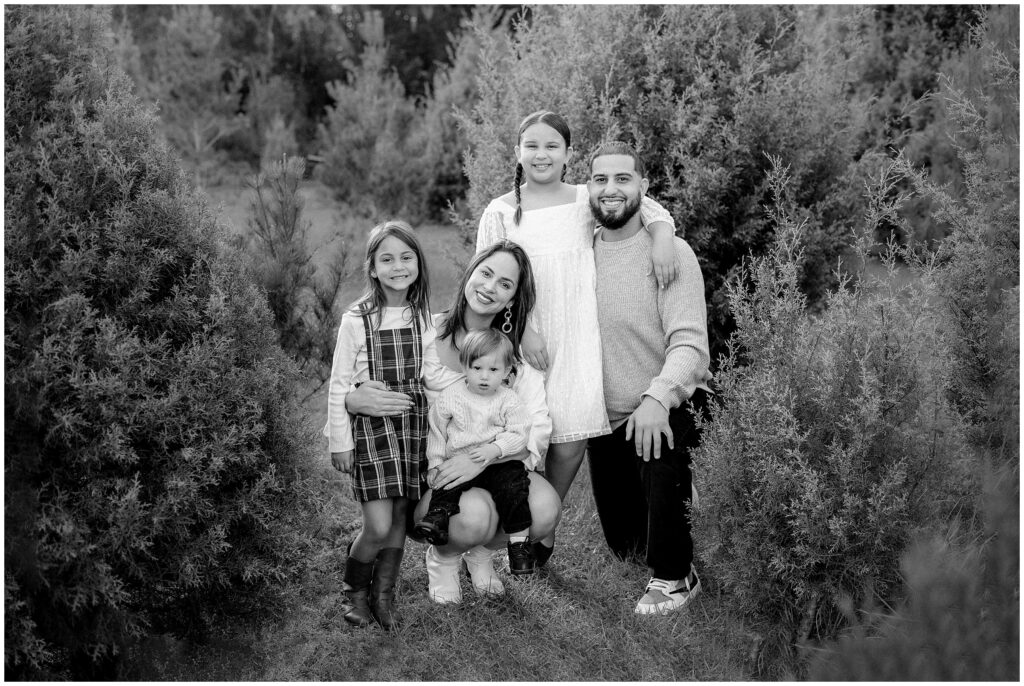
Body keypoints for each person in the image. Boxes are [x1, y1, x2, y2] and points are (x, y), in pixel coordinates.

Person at [475, 110, 680, 528]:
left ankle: (541, 524)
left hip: (578, 333)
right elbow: (484, 278)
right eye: (532, 145)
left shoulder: (582, 200)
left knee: (569, 440)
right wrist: (523, 328)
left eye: (552, 146)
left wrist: (662, 239)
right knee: (523, 430)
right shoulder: (500, 211)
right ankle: (509, 519)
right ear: (517, 152)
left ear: (568, 154)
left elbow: (652, 208)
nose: (541, 154)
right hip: (522, 335)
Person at [346, 241, 561, 604]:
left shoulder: (511, 359)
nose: (490, 287)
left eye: (505, 285)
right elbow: (375, 374)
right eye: (486, 273)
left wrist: (484, 456)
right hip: (434, 475)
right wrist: (354, 398)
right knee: (473, 516)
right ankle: (444, 558)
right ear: (470, 275)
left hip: (497, 465)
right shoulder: (424, 334)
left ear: (511, 301)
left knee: (544, 510)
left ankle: (480, 555)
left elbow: (536, 429)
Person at [585, 141, 714, 615]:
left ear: (644, 186)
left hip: (671, 399)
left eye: (624, 179)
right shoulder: (581, 252)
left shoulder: (671, 252)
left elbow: (690, 345)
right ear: (588, 189)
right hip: (607, 417)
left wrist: (657, 398)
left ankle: (676, 578)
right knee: (626, 546)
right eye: (601, 180)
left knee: (659, 448)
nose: (611, 189)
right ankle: (677, 493)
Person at [323, 220, 461, 629]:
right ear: (372, 268)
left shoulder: (424, 317)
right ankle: (354, 592)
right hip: (374, 428)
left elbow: (433, 375)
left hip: (413, 425)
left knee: (401, 516)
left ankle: (384, 595)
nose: (398, 266)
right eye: (387, 259)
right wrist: (339, 441)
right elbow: (339, 386)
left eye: (406, 257)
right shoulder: (357, 319)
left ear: (418, 261)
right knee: (378, 523)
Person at [416, 329, 536, 576]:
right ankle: (437, 519)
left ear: (506, 372)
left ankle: (519, 544)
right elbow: (437, 431)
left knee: (515, 487)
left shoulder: (508, 400)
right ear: (464, 367)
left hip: (496, 461)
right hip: (458, 460)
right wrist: (436, 463)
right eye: (477, 368)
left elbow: (519, 432)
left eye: (493, 370)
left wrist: (495, 448)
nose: (484, 376)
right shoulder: (452, 396)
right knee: (446, 483)